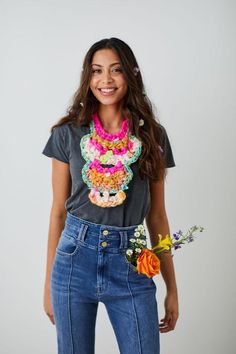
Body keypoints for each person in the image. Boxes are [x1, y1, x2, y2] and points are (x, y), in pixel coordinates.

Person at [42, 37, 179, 354]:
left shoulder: (154, 136)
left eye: (115, 70)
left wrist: (172, 288)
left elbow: (157, 215)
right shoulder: (66, 133)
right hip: (74, 261)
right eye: (97, 71)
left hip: (131, 261)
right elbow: (58, 212)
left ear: (131, 74)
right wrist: (48, 284)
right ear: (87, 78)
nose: (105, 80)